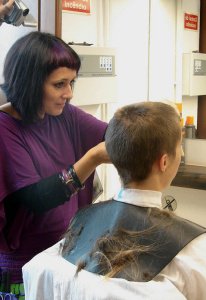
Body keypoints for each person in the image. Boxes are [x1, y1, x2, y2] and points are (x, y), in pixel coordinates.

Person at [22, 101, 206, 300]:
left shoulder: (77, 229)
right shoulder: (198, 254)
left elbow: (39, 274)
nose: (183, 153)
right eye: (179, 147)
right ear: (164, 162)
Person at [0, 31, 109, 299]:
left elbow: (113, 134)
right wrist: (92, 158)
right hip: (24, 267)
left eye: (72, 82)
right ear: (31, 83)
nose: (69, 93)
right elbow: (38, 197)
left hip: (65, 254)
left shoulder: (64, 115)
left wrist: (144, 124)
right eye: (59, 84)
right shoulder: (5, 128)